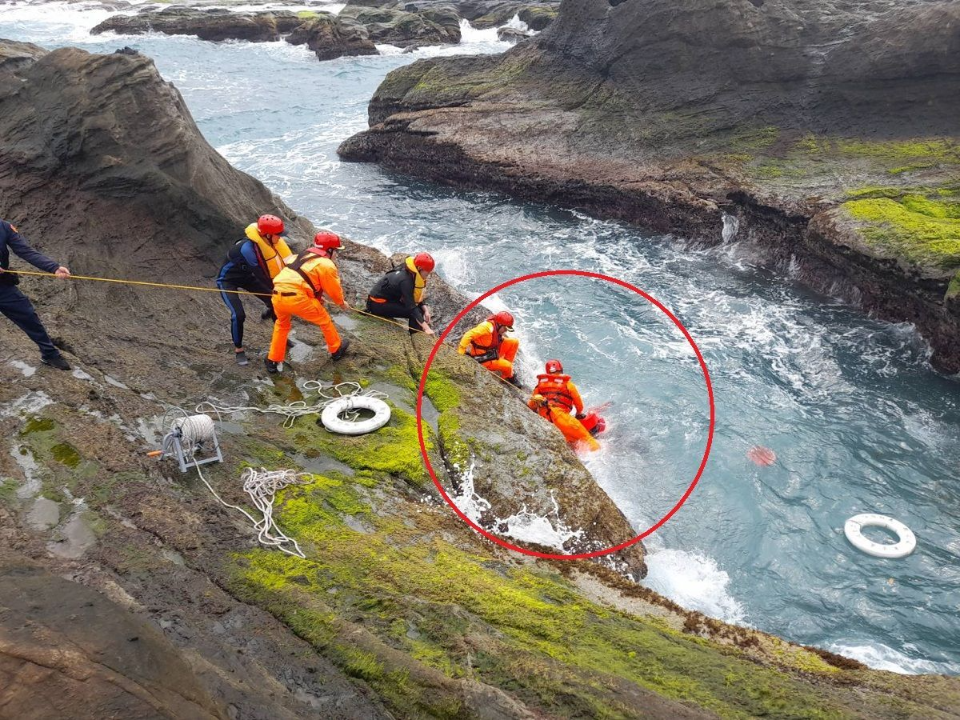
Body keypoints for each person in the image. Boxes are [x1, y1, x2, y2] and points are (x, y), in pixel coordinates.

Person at [265, 230, 350, 373]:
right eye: (336, 250)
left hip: (277, 295)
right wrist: (341, 303)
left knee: (281, 325)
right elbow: (334, 291)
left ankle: (272, 360)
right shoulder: (326, 264)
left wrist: (314, 296)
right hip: (298, 299)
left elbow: (299, 279)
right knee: (324, 320)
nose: (336, 254)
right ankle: (336, 350)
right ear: (329, 250)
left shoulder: (299, 256)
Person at [217, 214, 294, 365]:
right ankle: (238, 350)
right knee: (238, 315)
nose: (280, 238)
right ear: (266, 235)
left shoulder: (267, 243)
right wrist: (282, 289)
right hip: (228, 281)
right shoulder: (247, 249)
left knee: (275, 302)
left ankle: (281, 337)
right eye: (277, 235)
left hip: (247, 277)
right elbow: (262, 275)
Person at [0, 219, 72, 370]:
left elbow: (26, 251)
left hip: (3, 287)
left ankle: (49, 354)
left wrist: (54, 268)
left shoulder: (4, 227)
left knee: (27, 315)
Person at [528, 359, 599, 451]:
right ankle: (597, 456)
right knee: (587, 439)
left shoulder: (539, 386)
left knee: (570, 442)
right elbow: (579, 404)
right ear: (560, 370)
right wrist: (578, 413)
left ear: (547, 371)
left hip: (545, 421)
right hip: (561, 418)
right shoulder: (568, 384)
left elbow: (532, 404)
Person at [365, 252, 435, 335]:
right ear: (419, 268)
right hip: (377, 305)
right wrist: (426, 328)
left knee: (420, 310)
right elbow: (411, 307)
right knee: (416, 312)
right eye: (427, 272)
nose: (428, 274)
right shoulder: (406, 281)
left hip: (384, 299)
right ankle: (416, 335)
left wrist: (426, 311)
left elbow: (414, 297)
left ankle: (418, 331)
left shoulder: (408, 271)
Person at [457, 310, 520, 386]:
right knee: (508, 366)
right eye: (505, 329)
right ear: (499, 324)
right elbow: (468, 335)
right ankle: (509, 375)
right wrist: (460, 352)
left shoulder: (495, 325)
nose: (505, 331)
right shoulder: (487, 328)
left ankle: (505, 369)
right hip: (484, 359)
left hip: (492, 350)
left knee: (514, 342)